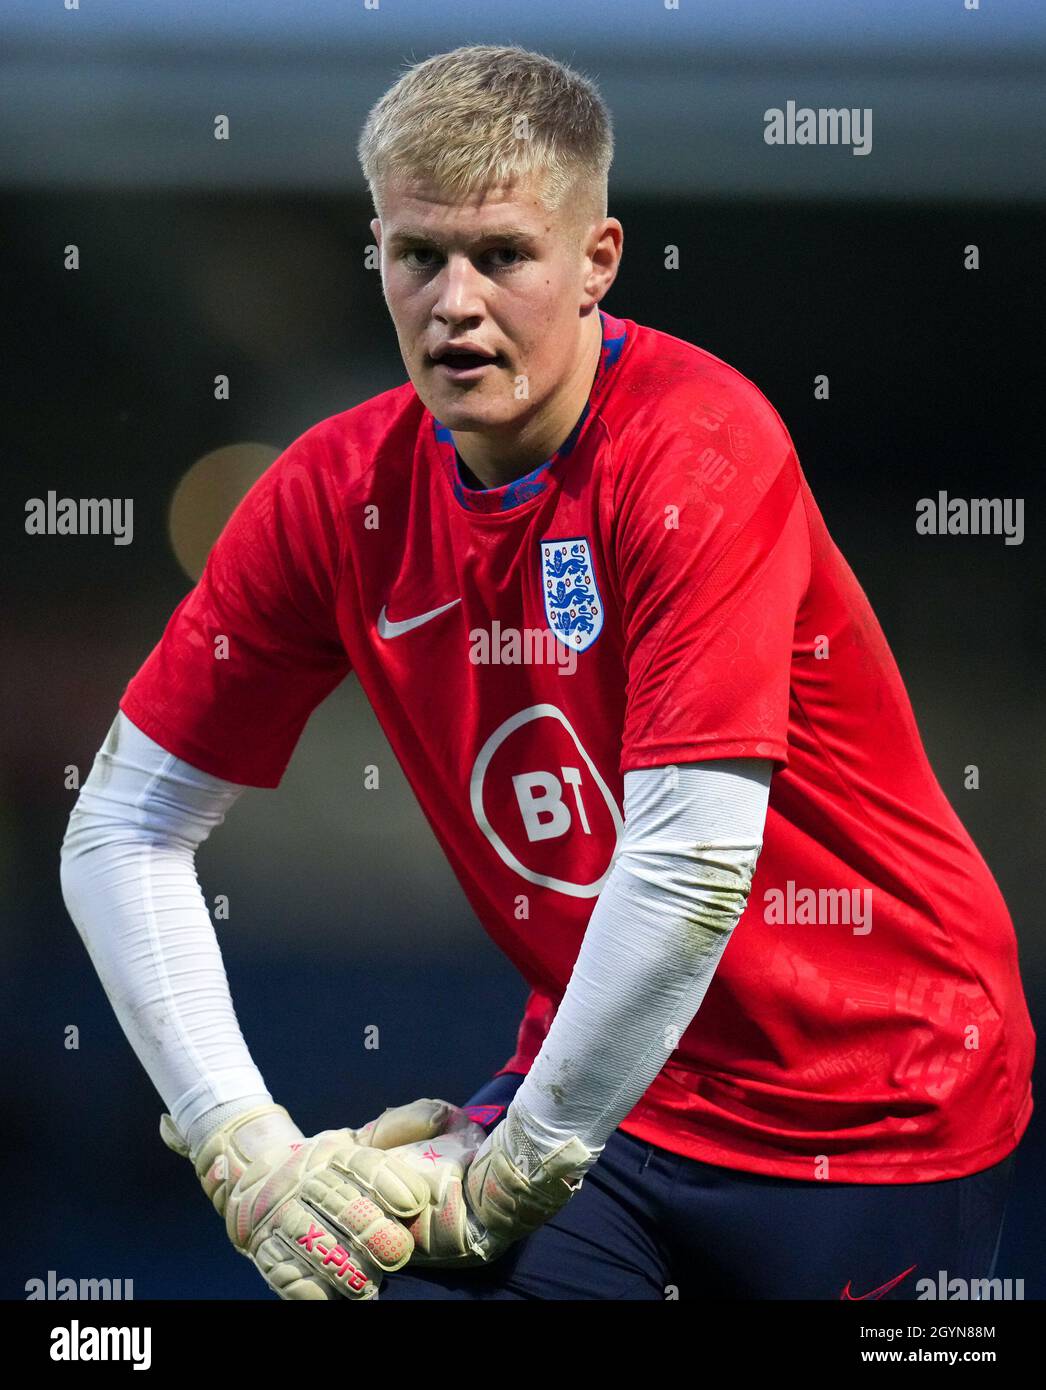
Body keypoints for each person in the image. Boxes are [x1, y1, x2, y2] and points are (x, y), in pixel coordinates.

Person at [61, 43, 1034, 1301]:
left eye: (502, 256)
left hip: (878, 1100)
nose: (453, 301)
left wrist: (516, 1164)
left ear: (598, 260)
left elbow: (688, 869)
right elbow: (123, 825)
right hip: (617, 1102)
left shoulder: (698, 449)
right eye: (417, 256)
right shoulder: (331, 495)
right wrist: (239, 1144)